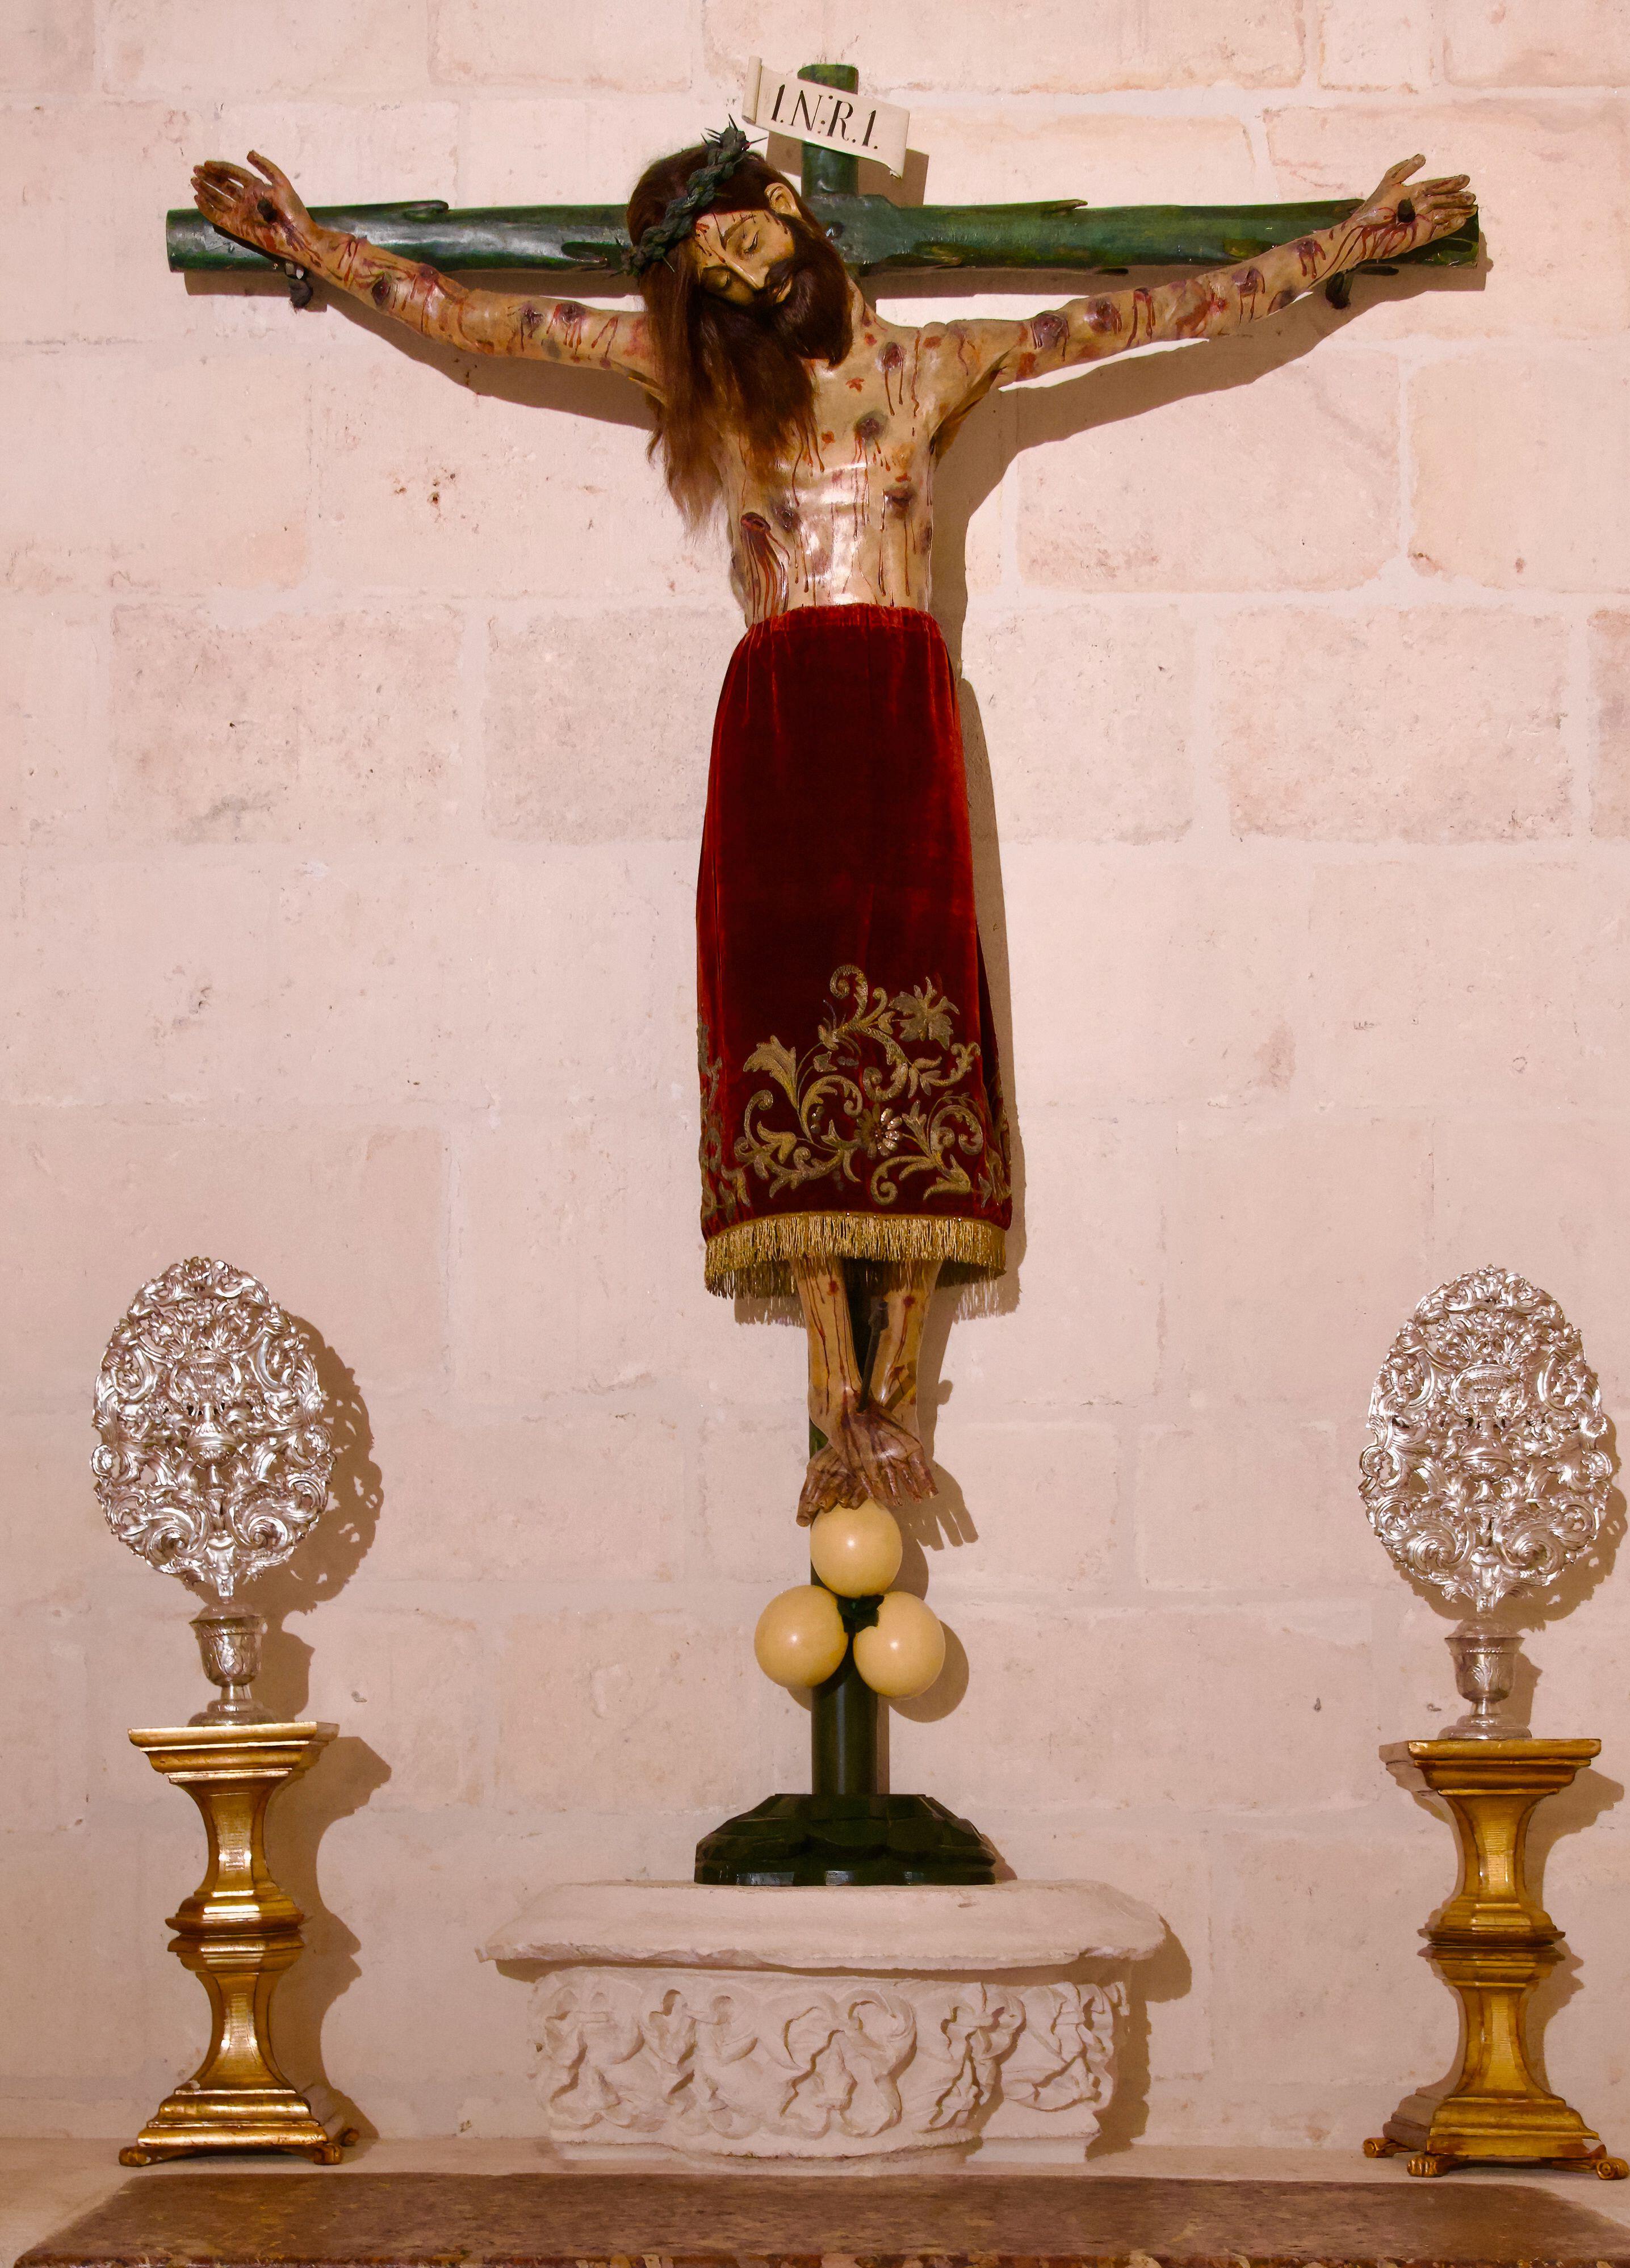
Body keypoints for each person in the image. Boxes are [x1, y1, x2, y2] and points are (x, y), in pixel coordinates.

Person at [191, 133, 1475, 1524]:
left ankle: (892, 1400)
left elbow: (1145, 314)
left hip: (897, 725)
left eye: (742, 238)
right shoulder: (698, 384)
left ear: (789, 209)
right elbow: (486, 320)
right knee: (786, 1038)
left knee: (923, 1038)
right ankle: (837, 1412)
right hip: (783, 729)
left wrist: (1347, 246)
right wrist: (314, 246)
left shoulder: (934, 368)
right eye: (712, 271)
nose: (741, 274)